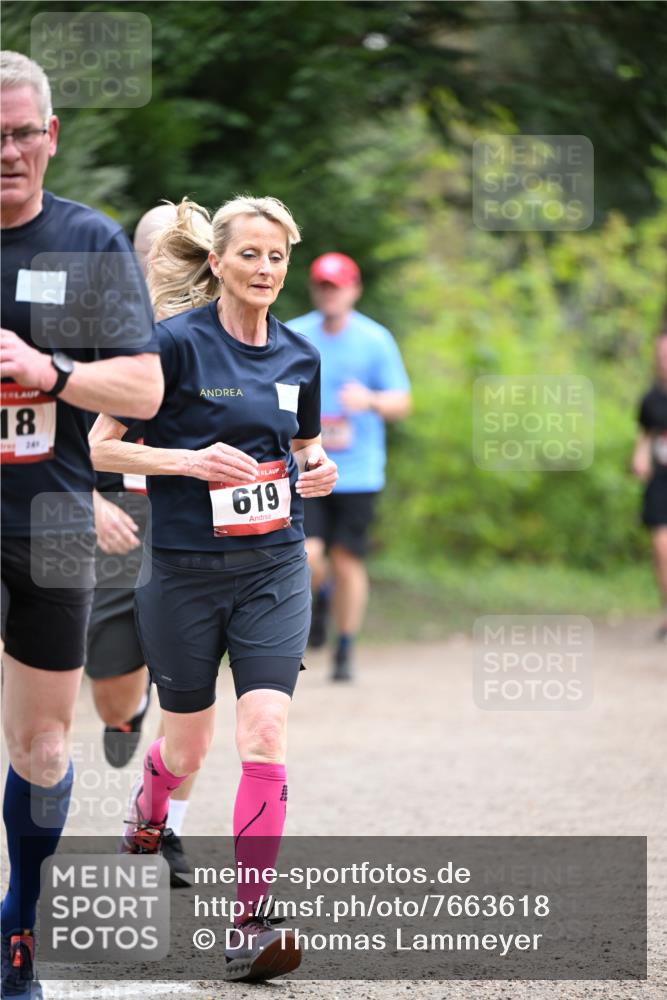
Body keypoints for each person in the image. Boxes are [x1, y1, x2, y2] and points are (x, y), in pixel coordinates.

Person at [89, 196, 337, 982]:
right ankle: (149, 813)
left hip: (272, 567)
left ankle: (250, 923)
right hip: (185, 575)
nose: (266, 271)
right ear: (218, 262)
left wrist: (317, 468)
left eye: (277, 258)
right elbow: (99, 450)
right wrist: (191, 462)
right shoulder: (170, 347)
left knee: (263, 731)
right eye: (251, 256)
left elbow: (303, 445)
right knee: (187, 745)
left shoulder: (299, 356)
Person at [0, 51, 163, 1000]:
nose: (10, 151)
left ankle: (18, 926)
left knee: (43, 749)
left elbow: (143, 385)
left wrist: (49, 373)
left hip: (54, 516)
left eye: (24, 133)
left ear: (51, 136)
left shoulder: (87, 243)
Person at [86, 203, 208, 889]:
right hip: (118, 514)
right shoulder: (97, 330)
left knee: (189, 693)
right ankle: (124, 716)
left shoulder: (224, 333)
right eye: (162, 249)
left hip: (195, 523)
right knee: (112, 691)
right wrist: (90, 497)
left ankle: (165, 833)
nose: (176, 261)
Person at [288, 252, 411, 680]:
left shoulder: (375, 340)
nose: (329, 293)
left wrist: (371, 401)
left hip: (359, 473)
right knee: (309, 555)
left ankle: (344, 648)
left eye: (337, 286)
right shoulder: (295, 335)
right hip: (309, 466)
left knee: (346, 559)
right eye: (323, 285)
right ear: (314, 290)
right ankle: (320, 596)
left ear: (354, 290)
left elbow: (402, 401)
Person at [633, 322, 667, 641]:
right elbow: (644, 434)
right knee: (660, 546)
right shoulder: (650, 400)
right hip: (660, 480)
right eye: (660, 353)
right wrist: (639, 455)